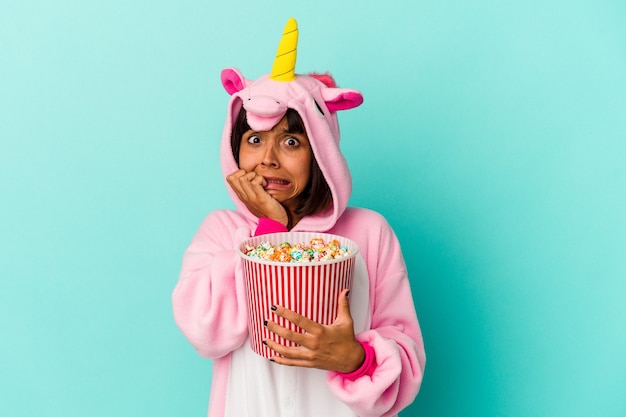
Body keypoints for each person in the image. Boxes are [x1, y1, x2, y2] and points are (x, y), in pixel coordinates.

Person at [172, 18, 425, 417]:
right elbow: (205, 332)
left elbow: (407, 352)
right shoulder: (221, 232)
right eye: (254, 140)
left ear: (321, 151)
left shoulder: (369, 234)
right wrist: (267, 230)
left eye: (291, 141)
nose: (269, 159)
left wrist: (355, 359)